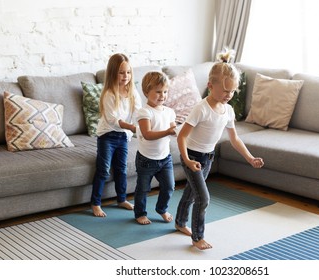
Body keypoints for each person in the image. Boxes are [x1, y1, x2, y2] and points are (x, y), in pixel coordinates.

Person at [174, 49, 265, 250]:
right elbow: (182, 136)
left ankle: (180, 222)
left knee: (191, 192)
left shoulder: (228, 111)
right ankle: (198, 237)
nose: (229, 95)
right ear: (210, 85)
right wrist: (187, 160)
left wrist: (249, 158)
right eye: (225, 91)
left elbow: (234, 138)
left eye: (232, 91)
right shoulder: (201, 108)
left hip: (208, 158)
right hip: (193, 157)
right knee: (203, 198)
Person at [91, 53, 142, 217]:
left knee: (121, 169)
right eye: (121, 73)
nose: (125, 76)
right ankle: (96, 203)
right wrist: (131, 127)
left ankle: (121, 199)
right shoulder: (109, 94)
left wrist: (140, 125)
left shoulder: (132, 92)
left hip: (123, 137)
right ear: (113, 73)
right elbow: (113, 120)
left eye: (128, 72)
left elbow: (137, 112)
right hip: (108, 136)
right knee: (104, 169)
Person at [134, 71, 177, 225]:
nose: (162, 95)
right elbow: (147, 134)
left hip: (165, 158)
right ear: (146, 92)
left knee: (169, 186)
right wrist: (168, 131)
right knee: (143, 189)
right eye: (158, 92)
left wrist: (180, 131)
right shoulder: (144, 112)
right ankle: (140, 213)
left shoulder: (170, 112)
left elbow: (173, 129)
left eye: (165, 91)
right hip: (146, 159)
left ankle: (161, 209)